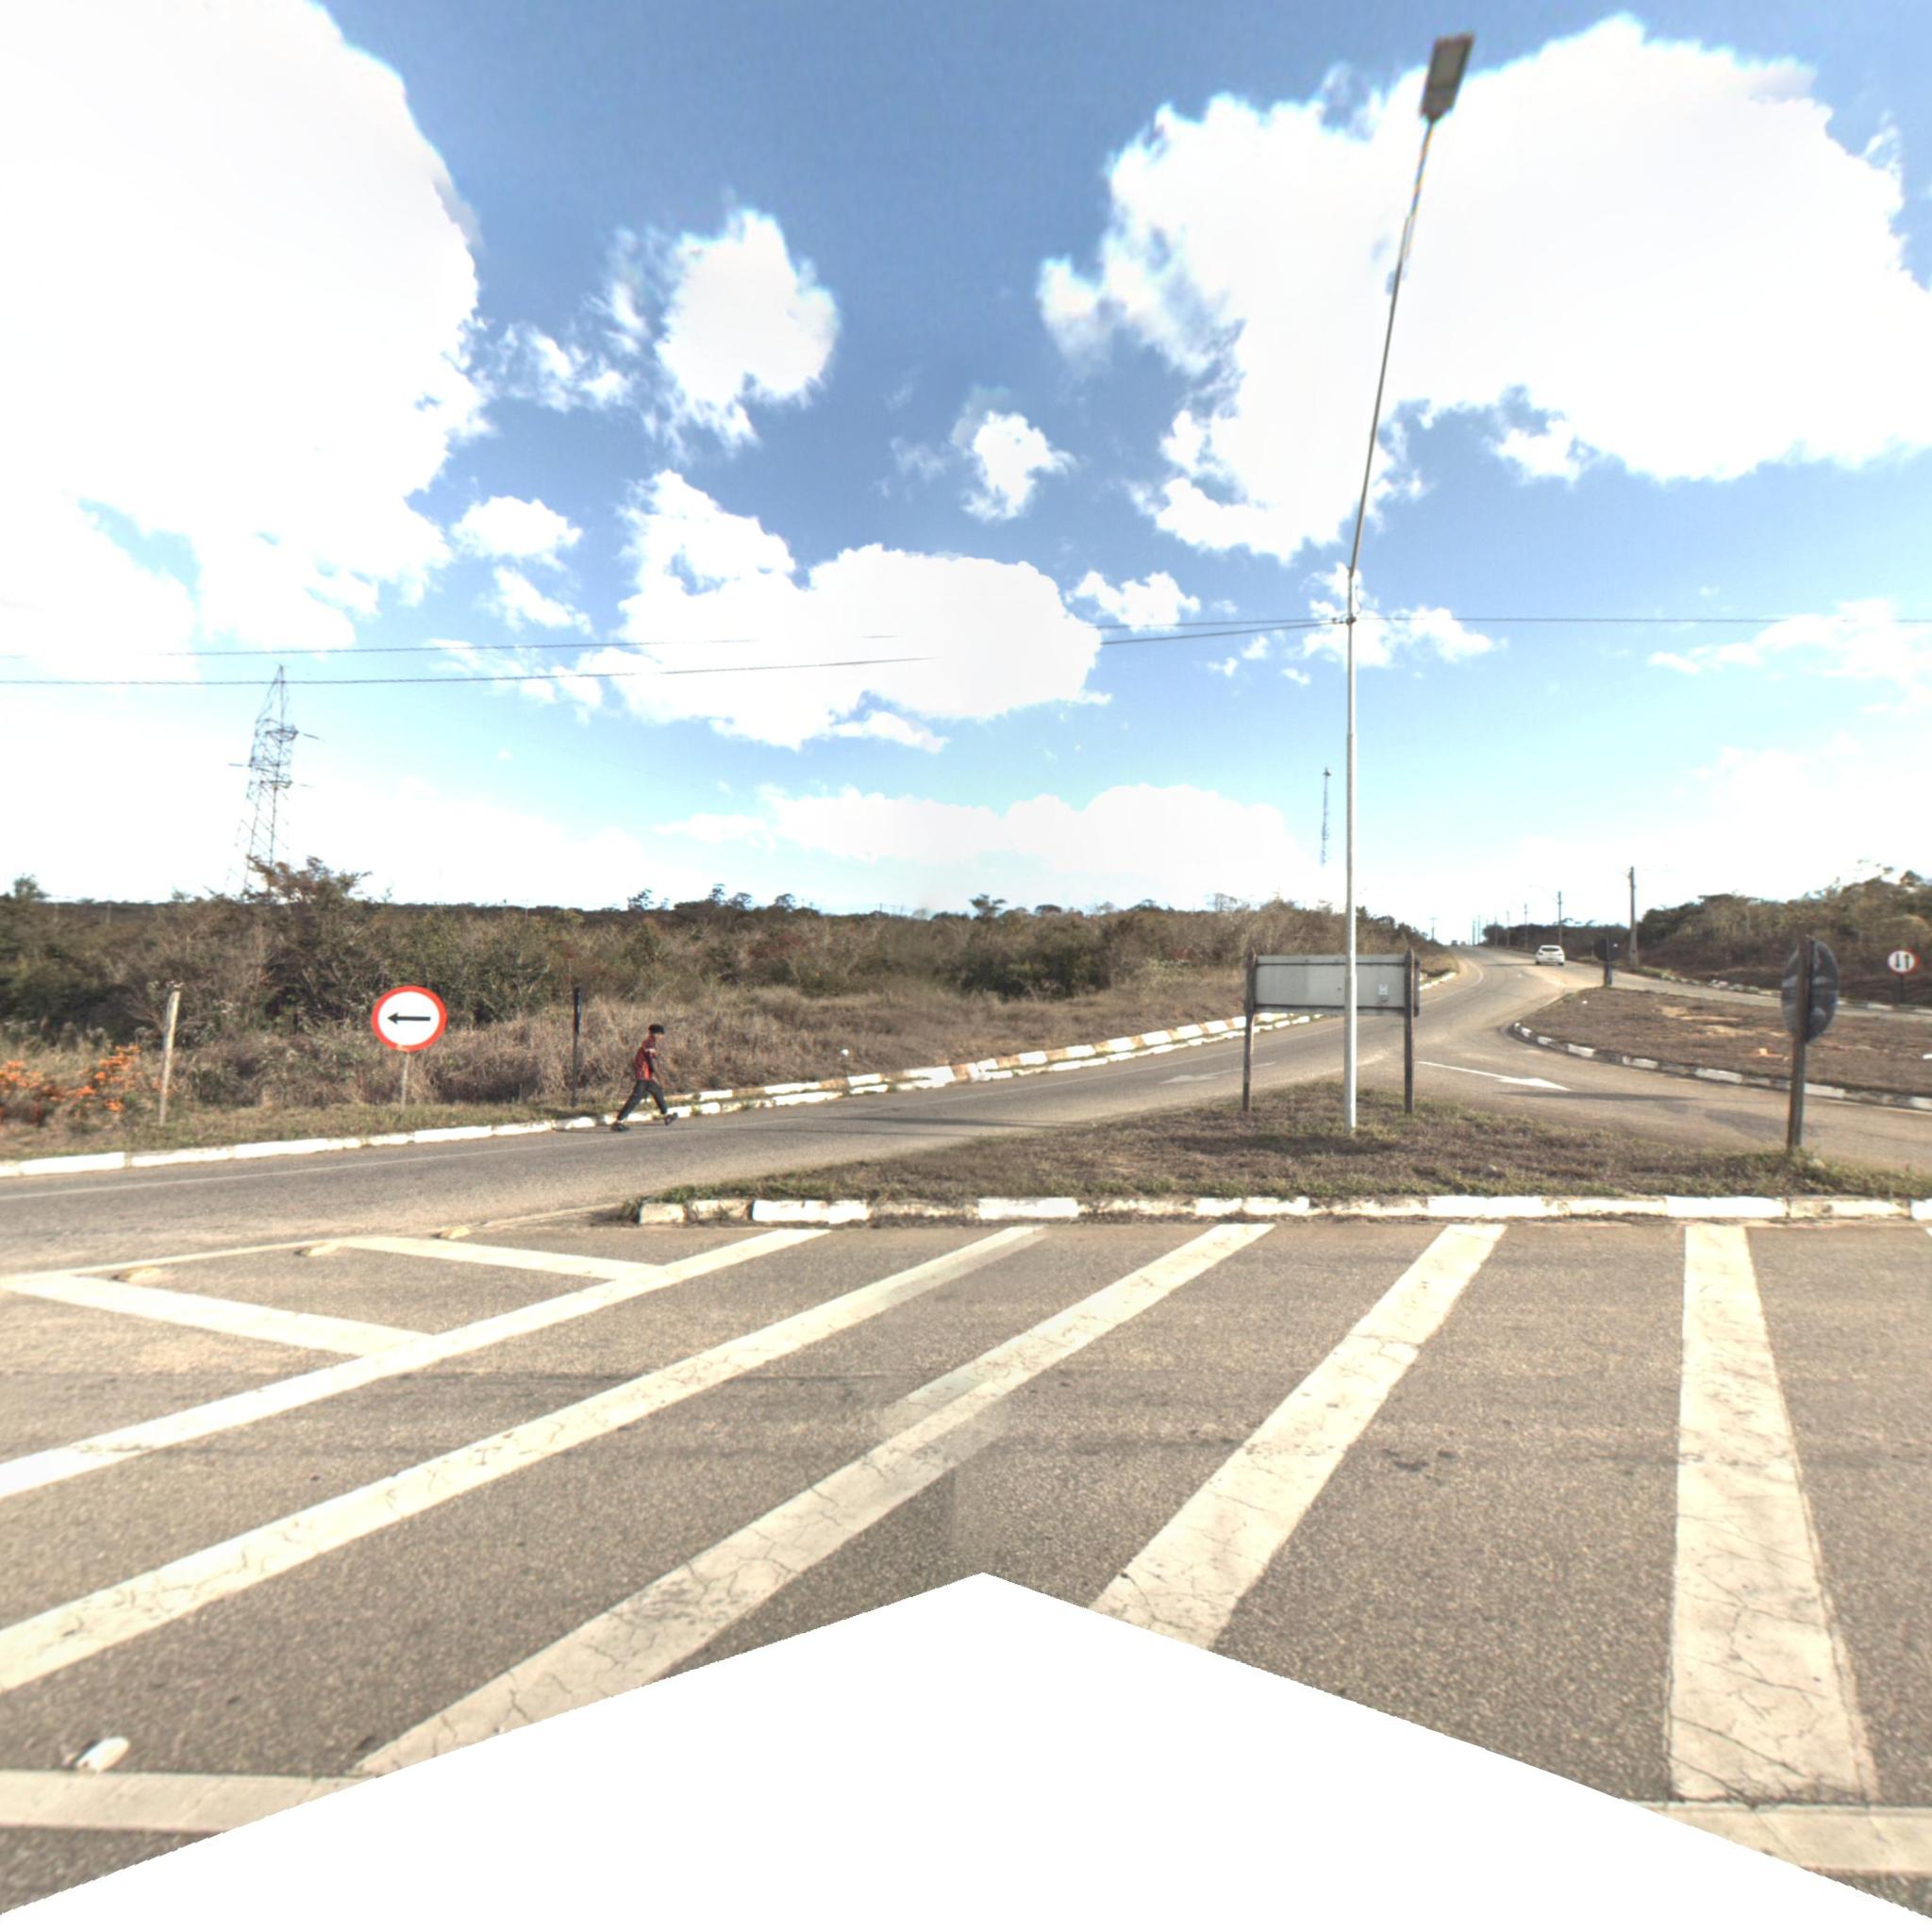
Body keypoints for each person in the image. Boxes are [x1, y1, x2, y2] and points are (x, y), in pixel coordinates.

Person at [611, 1023, 674, 1130]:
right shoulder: (650, 1044)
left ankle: (666, 1115)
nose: (661, 1037)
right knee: (635, 1099)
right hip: (643, 1076)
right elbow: (651, 1061)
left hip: (646, 1076)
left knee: (657, 1092)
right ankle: (618, 1122)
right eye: (661, 1034)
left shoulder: (649, 1043)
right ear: (656, 1034)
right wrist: (660, 1077)